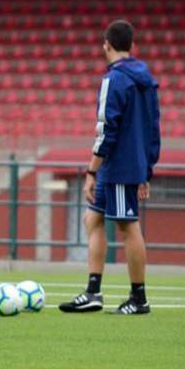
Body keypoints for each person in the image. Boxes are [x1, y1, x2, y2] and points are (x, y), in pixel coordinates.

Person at [59, 19, 160, 315]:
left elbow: (106, 128)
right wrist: (147, 168)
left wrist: (92, 170)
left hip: (117, 166)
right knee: (93, 220)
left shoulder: (114, 79)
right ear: (131, 45)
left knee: (128, 227)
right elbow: (154, 127)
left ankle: (139, 298)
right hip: (130, 164)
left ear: (107, 44)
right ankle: (93, 292)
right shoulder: (146, 79)